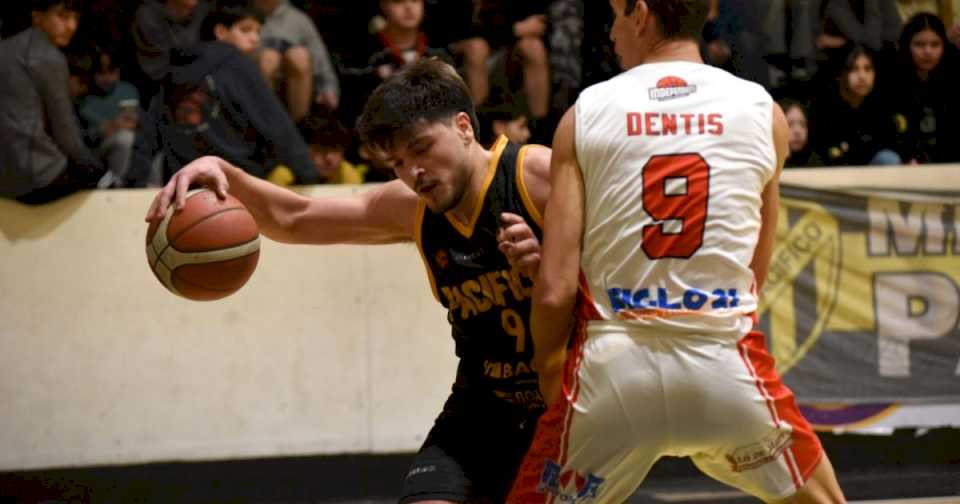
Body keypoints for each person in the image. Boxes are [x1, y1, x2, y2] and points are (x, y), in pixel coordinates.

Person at [145, 59, 553, 504]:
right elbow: (295, 218)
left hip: (565, 403)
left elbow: (626, 278)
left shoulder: (535, 177)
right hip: (482, 406)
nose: (413, 172)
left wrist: (548, 267)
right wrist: (218, 168)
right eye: (397, 161)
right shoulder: (412, 208)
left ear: (463, 127)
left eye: (421, 148)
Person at [506, 1, 847, 502]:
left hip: (615, 368)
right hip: (725, 366)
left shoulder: (585, 114)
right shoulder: (763, 112)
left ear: (641, 13)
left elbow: (555, 291)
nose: (613, 30)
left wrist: (551, 373)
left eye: (616, 14)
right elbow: (756, 269)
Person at [127, 2, 317, 187]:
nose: (255, 39)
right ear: (221, 32)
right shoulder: (237, 64)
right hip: (236, 186)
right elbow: (276, 125)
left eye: (258, 32)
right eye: (246, 30)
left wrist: (132, 186)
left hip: (184, 188)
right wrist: (309, 175)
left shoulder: (172, 71)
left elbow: (147, 133)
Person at [0, 0, 106, 204]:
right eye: (63, 16)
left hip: (4, 177)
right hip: (35, 178)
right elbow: (65, 134)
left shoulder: (5, 48)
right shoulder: (47, 55)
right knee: (100, 174)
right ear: (37, 15)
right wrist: (95, 168)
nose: (71, 26)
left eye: (75, 18)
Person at [810, 45, 904, 166]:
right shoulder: (826, 106)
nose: (862, 76)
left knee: (888, 158)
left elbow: (887, 143)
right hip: (833, 172)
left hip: (871, 169)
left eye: (868, 69)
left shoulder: (882, 104)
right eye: (854, 69)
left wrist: (851, 146)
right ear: (842, 73)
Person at [890, 12, 960, 164]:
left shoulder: (952, 74)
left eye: (935, 44)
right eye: (920, 44)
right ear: (908, 45)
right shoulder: (894, 77)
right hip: (907, 158)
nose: (928, 52)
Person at [255, 0, 340, 120]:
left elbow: (320, 59)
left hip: (290, 86)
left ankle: (299, 128)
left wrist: (328, 88)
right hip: (249, 81)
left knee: (299, 56)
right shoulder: (240, 12)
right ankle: (264, 127)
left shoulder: (299, 20)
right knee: (269, 58)